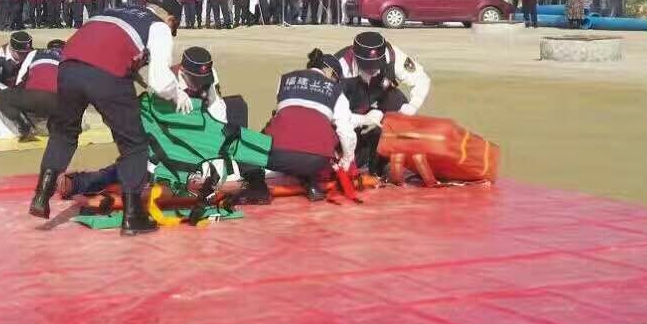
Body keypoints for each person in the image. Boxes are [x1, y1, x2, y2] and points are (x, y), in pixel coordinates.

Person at [29, 0, 189, 236]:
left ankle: (42, 192)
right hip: (107, 74)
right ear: (171, 19)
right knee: (134, 145)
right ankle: (133, 217)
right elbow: (159, 81)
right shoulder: (159, 27)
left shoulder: (111, 12)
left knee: (64, 133)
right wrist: (178, 94)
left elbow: (107, 49)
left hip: (68, 67)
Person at [54, 45, 230, 202]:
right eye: (194, 81)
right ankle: (78, 183)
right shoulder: (163, 82)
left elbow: (218, 114)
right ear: (182, 71)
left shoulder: (208, 77)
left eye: (202, 81)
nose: (198, 86)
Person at [239, 49, 357, 203]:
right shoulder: (336, 91)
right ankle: (312, 183)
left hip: (281, 155)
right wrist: (346, 160)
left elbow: (285, 117)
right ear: (330, 73)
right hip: (317, 162)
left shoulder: (285, 80)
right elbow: (346, 132)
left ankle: (258, 188)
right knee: (321, 132)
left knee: (241, 142)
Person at [335, 32, 431, 118]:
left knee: (396, 100)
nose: (372, 70)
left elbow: (421, 78)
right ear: (354, 55)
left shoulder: (392, 54)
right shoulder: (339, 65)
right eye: (367, 66)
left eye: (376, 64)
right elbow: (330, 108)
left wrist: (414, 105)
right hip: (350, 106)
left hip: (381, 95)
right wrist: (361, 120)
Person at [0, 38, 65, 141]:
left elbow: (20, 78)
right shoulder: (68, 58)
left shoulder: (35, 53)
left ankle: (24, 127)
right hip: (56, 103)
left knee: (0, 96)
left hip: (33, 99)